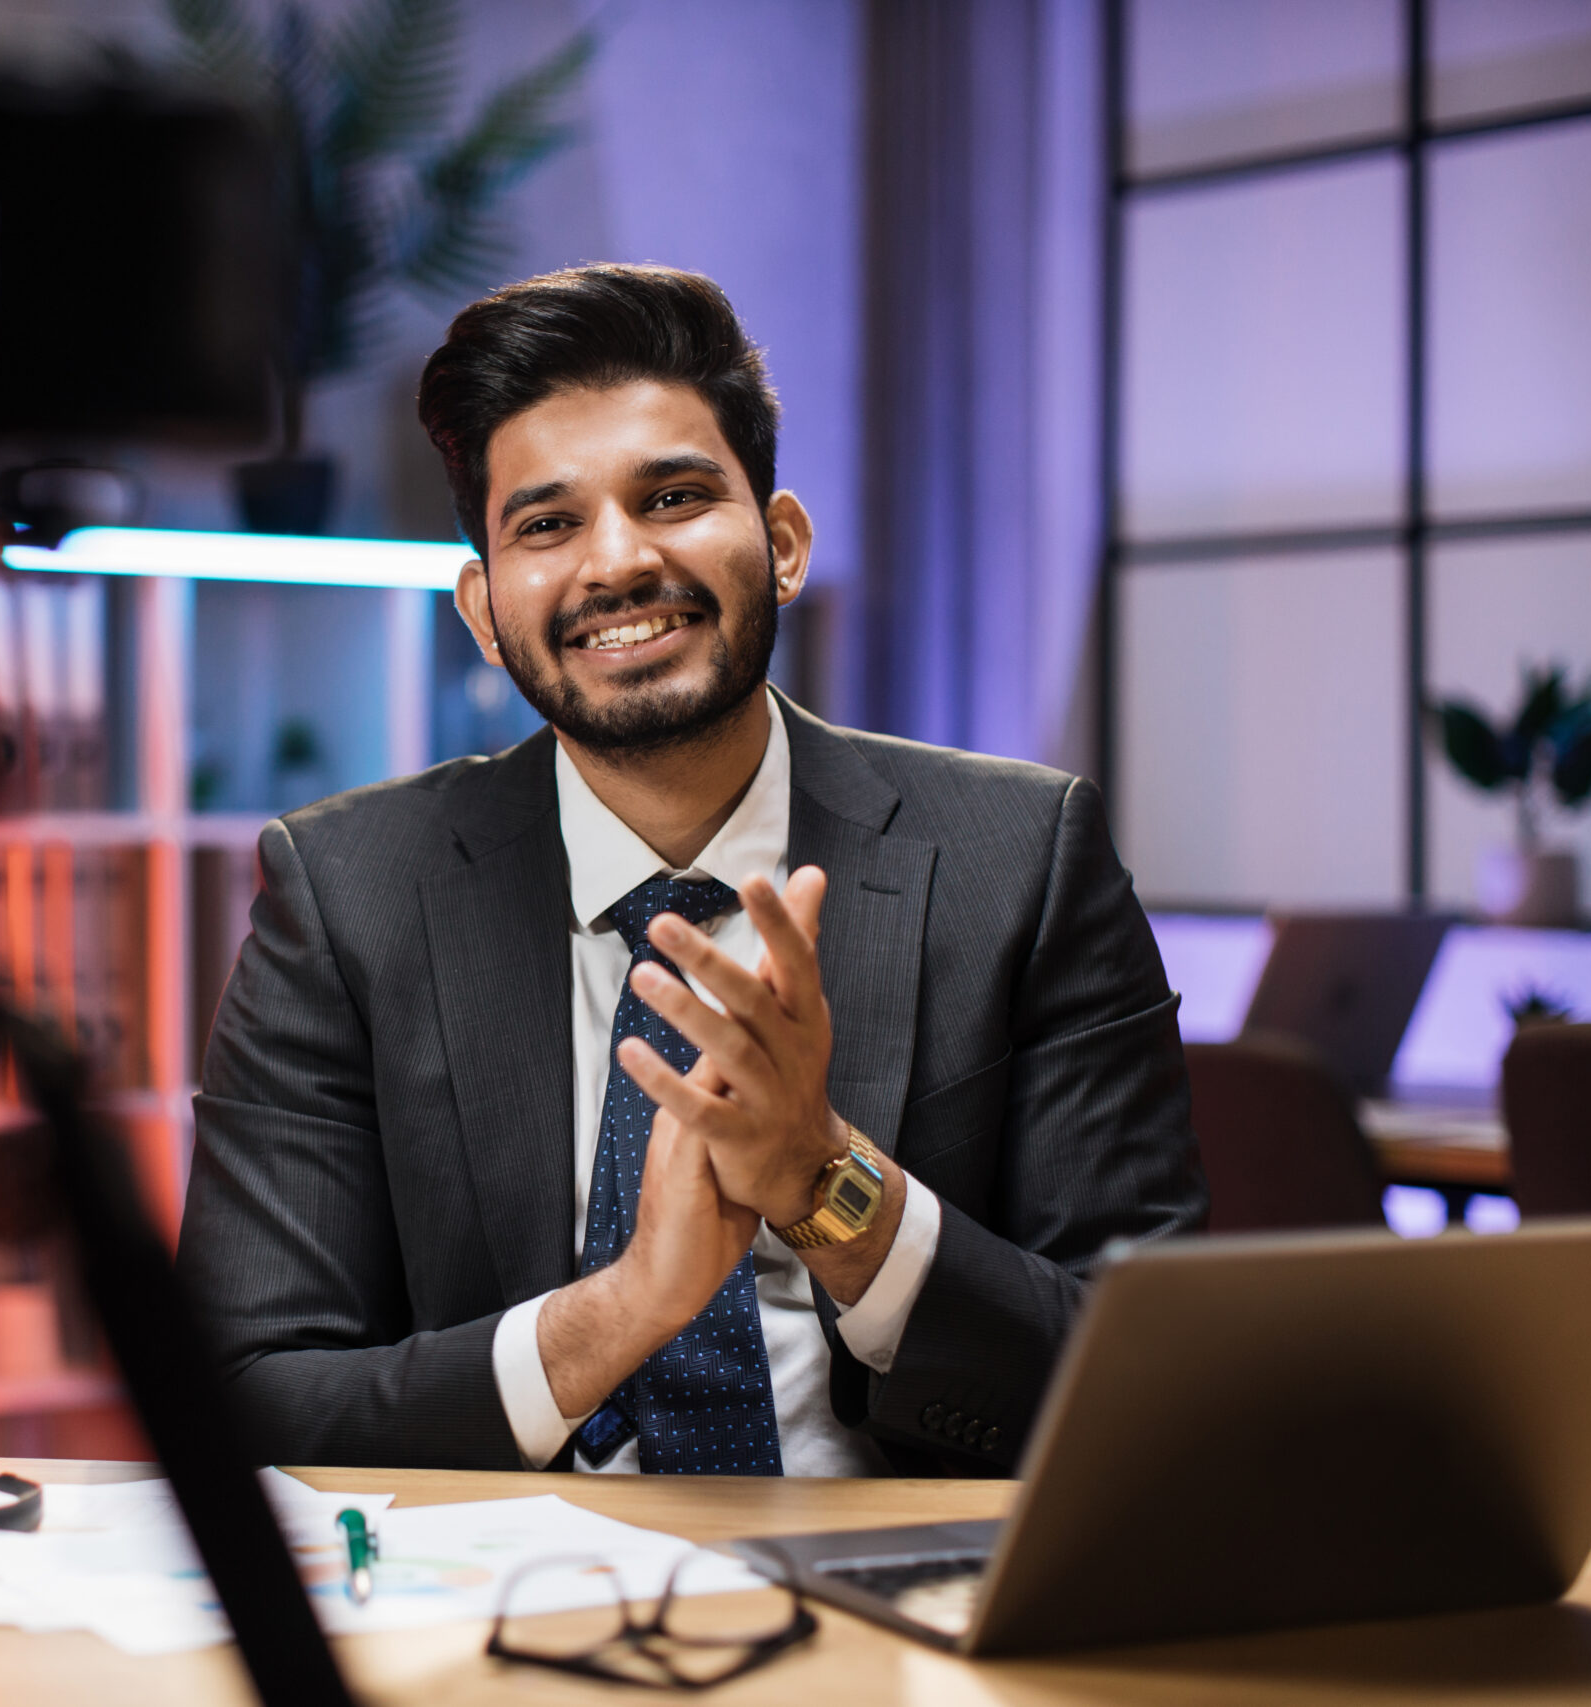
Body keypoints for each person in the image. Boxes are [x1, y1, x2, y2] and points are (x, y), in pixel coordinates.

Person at [174, 264, 1204, 1475]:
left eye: (671, 496)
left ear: (781, 544)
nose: (615, 564)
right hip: (509, 1606)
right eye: (546, 525)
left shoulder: (1020, 860)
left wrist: (829, 1186)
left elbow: (1152, 1375)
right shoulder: (347, 893)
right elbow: (240, 1392)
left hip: (904, 1608)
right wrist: (622, 1311)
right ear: (482, 610)